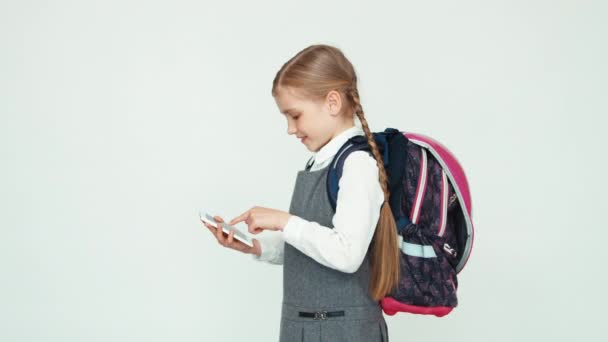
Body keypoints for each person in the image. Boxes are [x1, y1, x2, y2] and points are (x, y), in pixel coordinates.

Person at [202, 44, 400, 342]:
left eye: (295, 115)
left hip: (342, 331)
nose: (290, 129)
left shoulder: (357, 164)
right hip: (304, 327)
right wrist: (255, 247)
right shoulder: (318, 161)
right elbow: (311, 246)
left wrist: (284, 221)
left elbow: (347, 254)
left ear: (332, 102)